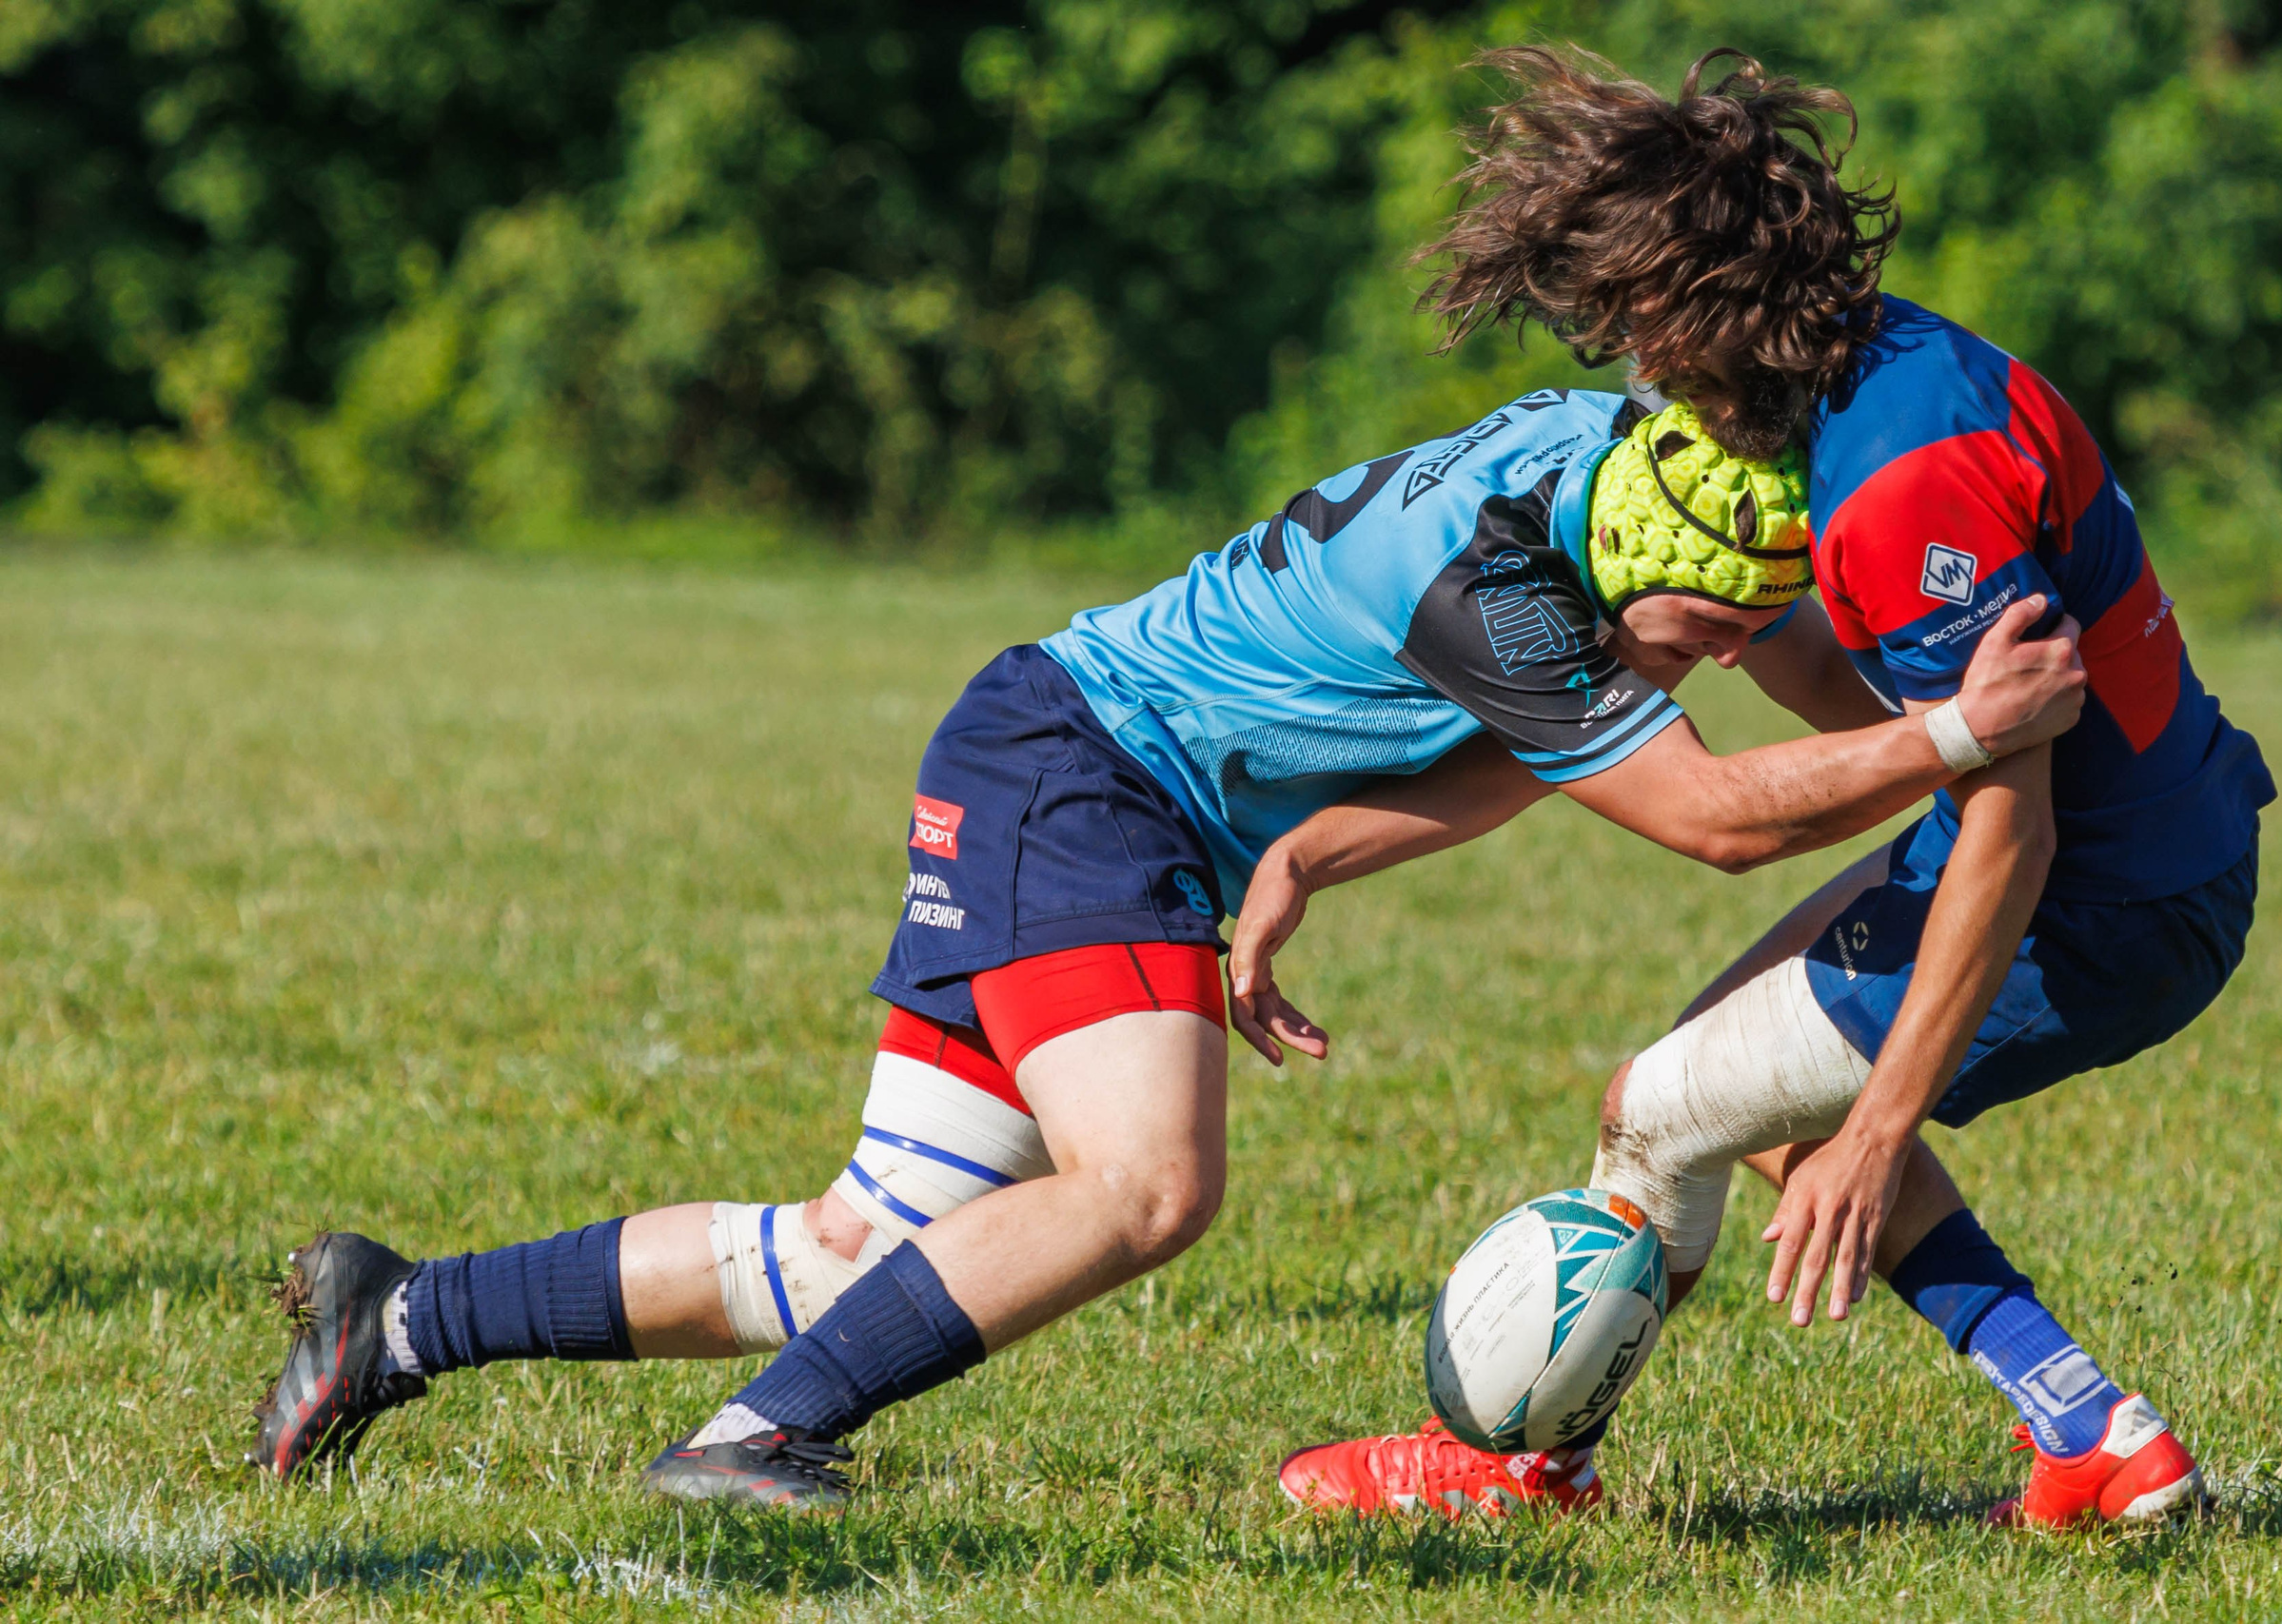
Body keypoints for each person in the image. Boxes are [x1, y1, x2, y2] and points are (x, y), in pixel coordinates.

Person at [244, 205, 2090, 1516]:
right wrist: (1958, 737)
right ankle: (754, 1440)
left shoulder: (1624, 474)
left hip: (1061, 761)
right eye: (1704, 637)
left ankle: (400, 1314)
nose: (1720, 659)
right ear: (1632, 580)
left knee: (860, 1247)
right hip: (1088, 782)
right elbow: (1711, 817)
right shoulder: (1508, 594)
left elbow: (1575, 747)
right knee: (1144, 1184)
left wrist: (1312, 857)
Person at [1261, 48, 2273, 1528]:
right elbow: (1878, 723)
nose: (1640, 367)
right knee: (1714, 1067)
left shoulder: (1902, 484)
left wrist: (1877, 1133)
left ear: (1708, 301)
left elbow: (2014, 821)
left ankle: (1520, 1470)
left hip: (2103, 896)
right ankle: (2092, 1436)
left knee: (1664, 1110)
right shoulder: (1887, 371)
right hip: (2148, 847)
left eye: (1640, 325)